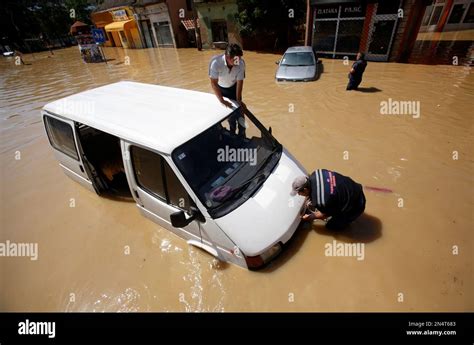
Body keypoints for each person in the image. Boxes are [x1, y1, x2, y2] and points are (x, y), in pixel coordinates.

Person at [291, 169, 366, 230]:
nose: (299, 194)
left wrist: (310, 217)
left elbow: (323, 215)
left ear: (305, 189)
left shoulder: (321, 201)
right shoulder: (317, 173)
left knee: (331, 226)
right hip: (355, 189)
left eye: (299, 192)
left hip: (356, 206)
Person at [209, 43, 246, 136]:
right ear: (227, 57)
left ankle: (242, 134)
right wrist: (222, 100)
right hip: (221, 89)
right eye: (235, 59)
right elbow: (213, 83)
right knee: (231, 116)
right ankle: (232, 133)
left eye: (239, 58)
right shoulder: (216, 63)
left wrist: (239, 100)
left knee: (241, 113)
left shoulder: (240, 63)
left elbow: (240, 82)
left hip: (234, 88)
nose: (238, 61)